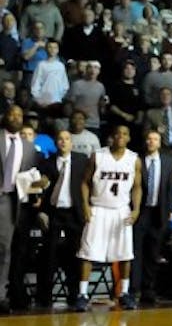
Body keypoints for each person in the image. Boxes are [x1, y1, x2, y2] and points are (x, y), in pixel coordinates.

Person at [74, 124, 142, 311]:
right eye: (118, 133)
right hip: (99, 208)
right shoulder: (98, 156)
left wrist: (135, 210)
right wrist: (86, 206)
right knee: (87, 252)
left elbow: (137, 187)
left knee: (125, 253)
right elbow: (84, 183)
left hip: (121, 210)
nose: (121, 136)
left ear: (129, 138)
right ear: (112, 136)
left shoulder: (134, 159)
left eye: (125, 133)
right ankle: (82, 294)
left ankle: (124, 293)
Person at [38, 130, 84, 310]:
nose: (63, 142)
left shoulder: (82, 160)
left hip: (74, 213)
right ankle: (44, 298)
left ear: (72, 143)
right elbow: (40, 190)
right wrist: (41, 212)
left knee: (75, 255)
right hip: (53, 212)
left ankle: (74, 296)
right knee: (48, 255)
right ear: (56, 143)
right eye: (60, 139)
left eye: (66, 139)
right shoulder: (46, 163)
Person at [0, 104, 39, 314]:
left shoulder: (29, 146)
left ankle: (1, 296)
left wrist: (38, 187)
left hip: (15, 202)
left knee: (6, 251)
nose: (15, 117)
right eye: (11, 114)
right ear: (5, 117)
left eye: (19, 115)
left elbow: (31, 176)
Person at [132, 129, 172, 305]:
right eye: (149, 139)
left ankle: (148, 290)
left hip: (159, 211)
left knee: (153, 253)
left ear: (160, 143)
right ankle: (133, 289)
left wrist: (171, 209)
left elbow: (170, 188)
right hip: (140, 211)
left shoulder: (168, 161)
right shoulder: (137, 160)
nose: (151, 142)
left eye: (155, 139)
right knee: (136, 251)